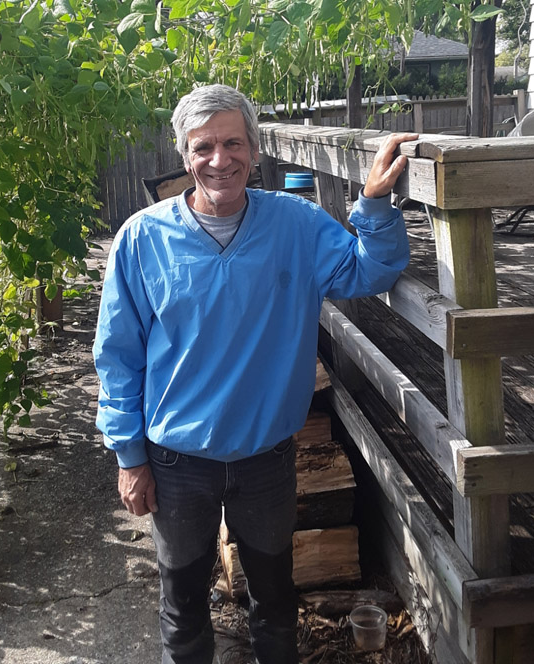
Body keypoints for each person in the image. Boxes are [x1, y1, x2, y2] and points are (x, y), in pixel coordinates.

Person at [93, 84, 416, 664]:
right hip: (176, 464)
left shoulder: (295, 225)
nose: (221, 160)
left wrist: (373, 203)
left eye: (234, 143)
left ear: (255, 149)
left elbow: (370, 270)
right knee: (183, 604)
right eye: (204, 147)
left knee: (273, 599)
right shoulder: (142, 239)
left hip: (266, 458)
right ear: (184, 154)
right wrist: (129, 456)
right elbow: (118, 356)